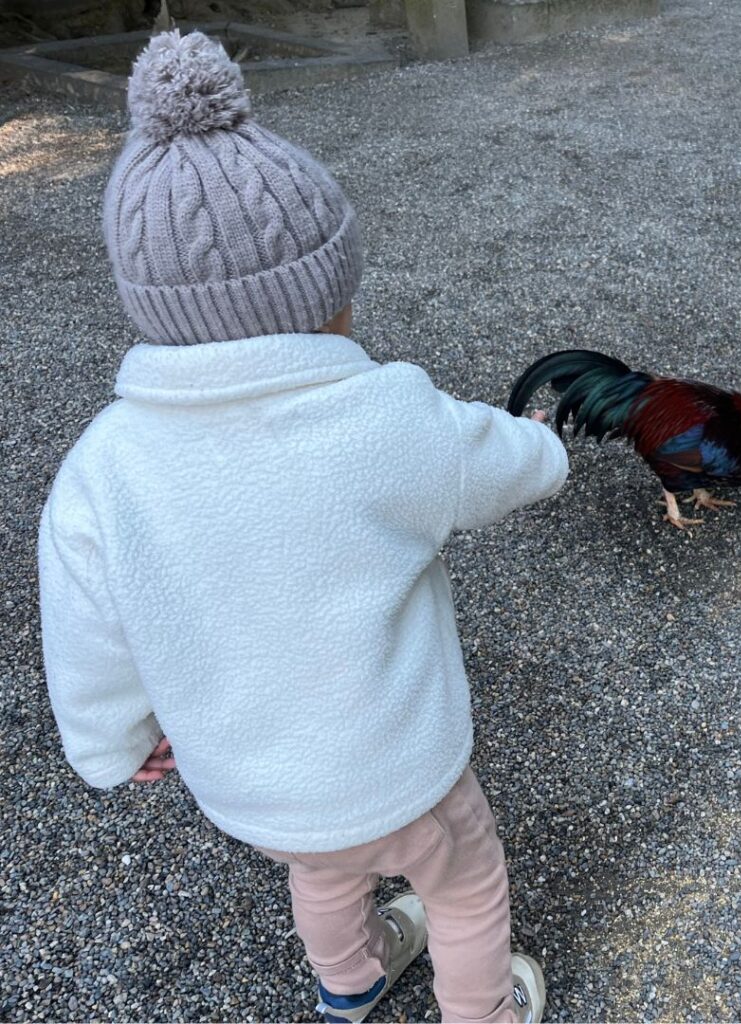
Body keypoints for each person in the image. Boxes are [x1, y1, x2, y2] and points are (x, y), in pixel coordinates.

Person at [38, 29, 567, 1024]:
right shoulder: (386, 414)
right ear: (324, 300)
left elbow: (86, 629)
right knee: (463, 880)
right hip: (402, 768)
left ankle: (350, 984)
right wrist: (547, 449)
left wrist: (111, 744)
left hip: (254, 787)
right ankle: (483, 1012)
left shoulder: (102, 469)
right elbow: (499, 463)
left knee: (321, 870)